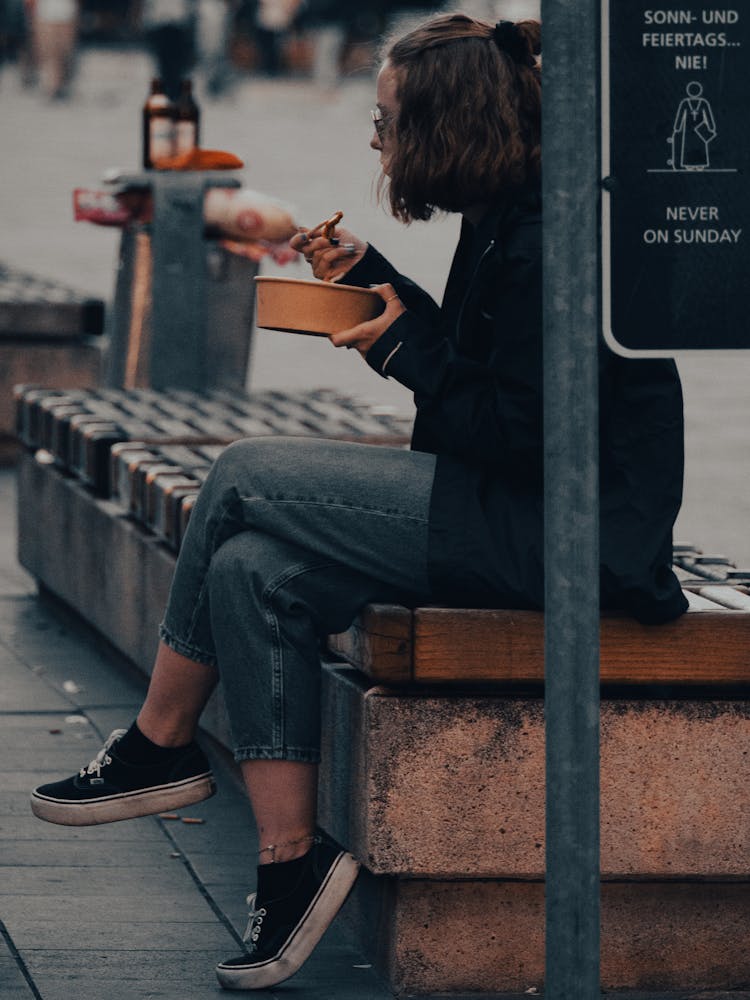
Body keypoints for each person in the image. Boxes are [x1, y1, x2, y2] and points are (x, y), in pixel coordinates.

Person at [29, 11, 688, 992]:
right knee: (254, 571)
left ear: (442, 122)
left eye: (386, 121)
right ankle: (288, 870)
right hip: (511, 508)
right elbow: (486, 382)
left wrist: (392, 346)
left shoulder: (555, 237)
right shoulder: (508, 208)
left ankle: (158, 744)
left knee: (243, 473)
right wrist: (374, 287)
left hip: (566, 535)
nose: (375, 140)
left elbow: (522, 436)